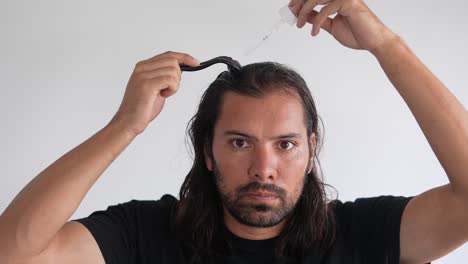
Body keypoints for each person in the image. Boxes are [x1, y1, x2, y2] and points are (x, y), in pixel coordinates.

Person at [1, 0, 467, 263]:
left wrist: (386, 44)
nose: (263, 169)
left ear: (310, 150)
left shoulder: (363, 235)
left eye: (285, 144)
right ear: (208, 151)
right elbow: (13, 254)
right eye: (240, 142)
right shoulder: (145, 234)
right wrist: (125, 126)